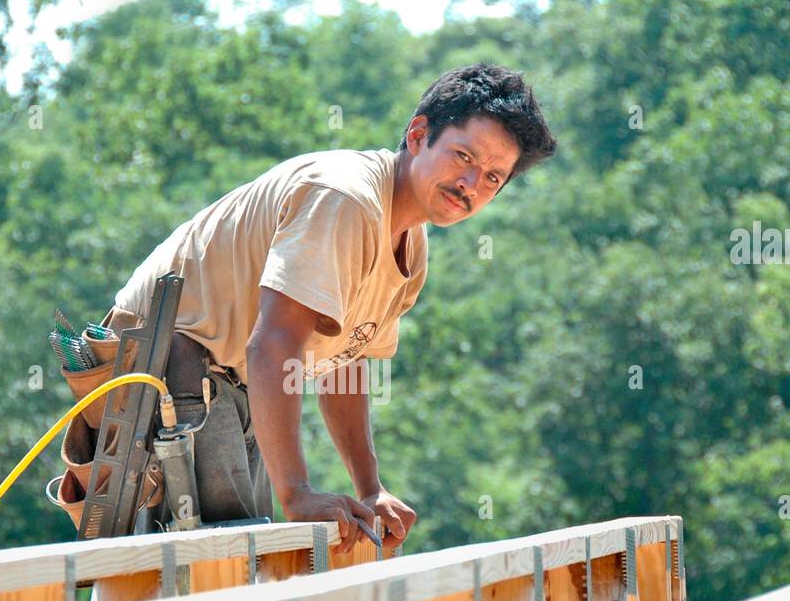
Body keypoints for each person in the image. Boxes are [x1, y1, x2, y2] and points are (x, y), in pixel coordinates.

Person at [110, 63, 557, 553]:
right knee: (220, 568)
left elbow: (343, 362)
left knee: (235, 566)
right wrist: (297, 493)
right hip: (163, 361)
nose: (471, 183)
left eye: (492, 176)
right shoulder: (347, 199)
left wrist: (371, 487)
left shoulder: (410, 237)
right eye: (463, 156)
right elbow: (274, 342)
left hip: (229, 380)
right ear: (418, 135)